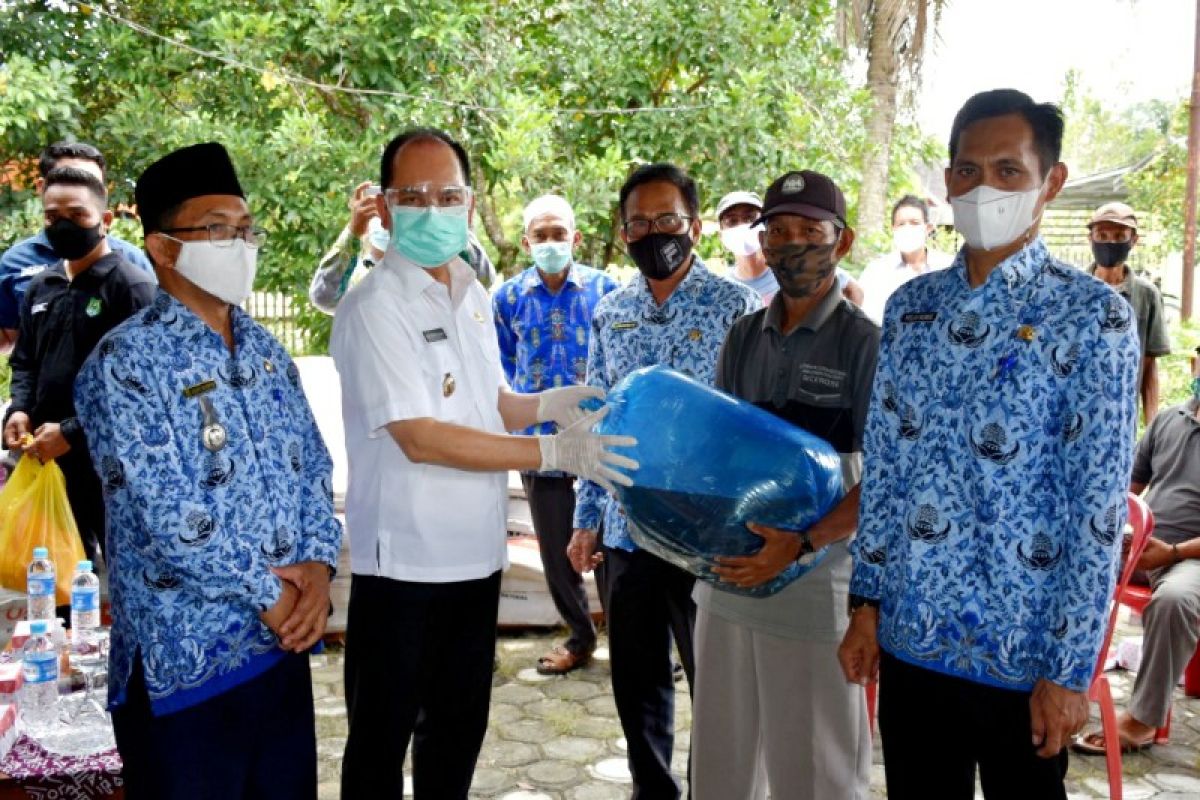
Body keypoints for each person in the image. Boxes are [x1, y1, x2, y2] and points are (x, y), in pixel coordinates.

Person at [839, 89, 1140, 799]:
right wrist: (865, 606)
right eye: (968, 171)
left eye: (1009, 171)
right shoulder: (911, 310)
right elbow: (886, 473)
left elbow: (1096, 512)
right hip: (913, 640)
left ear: (1051, 182)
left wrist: (1070, 671)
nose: (984, 188)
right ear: (948, 181)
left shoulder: (1092, 318)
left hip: (1023, 657)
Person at [330, 127, 636, 798]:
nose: (433, 208)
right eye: (414, 194)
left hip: (475, 558)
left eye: (448, 193)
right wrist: (553, 450)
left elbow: (487, 402)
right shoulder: (373, 305)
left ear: (469, 205)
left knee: (457, 730)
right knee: (381, 743)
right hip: (404, 566)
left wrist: (548, 404)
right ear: (384, 206)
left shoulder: (470, 292)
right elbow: (420, 435)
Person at [73, 141, 343, 798]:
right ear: (164, 247)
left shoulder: (266, 351)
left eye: (246, 229)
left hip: (279, 653)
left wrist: (318, 567)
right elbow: (170, 515)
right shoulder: (126, 364)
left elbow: (313, 465)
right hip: (184, 671)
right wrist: (277, 598)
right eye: (219, 229)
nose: (240, 244)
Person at [567, 163, 760, 799]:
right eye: (640, 223)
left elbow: (751, 424)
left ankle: (720, 788)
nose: (655, 233)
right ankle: (654, 789)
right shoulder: (611, 311)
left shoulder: (736, 307)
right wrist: (586, 518)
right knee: (638, 681)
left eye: (668, 220)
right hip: (628, 532)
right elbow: (596, 417)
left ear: (696, 226)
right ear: (623, 233)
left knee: (719, 683)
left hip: (710, 532)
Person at [692, 170, 878, 799]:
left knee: (815, 768)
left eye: (810, 231)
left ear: (841, 240)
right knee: (721, 760)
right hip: (728, 578)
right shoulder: (744, 335)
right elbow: (720, 452)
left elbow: (888, 475)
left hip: (813, 584)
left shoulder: (866, 344)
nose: (792, 244)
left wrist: (800, 544)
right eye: (779, 231)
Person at [2, 166, 156, 566]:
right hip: (48, 463)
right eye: (52, 217)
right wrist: (19, 408)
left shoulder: (132, 289)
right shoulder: (42, 286)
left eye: (77, 215)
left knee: (130, 578)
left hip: (115, 470)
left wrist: (73, 430)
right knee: (57, 583)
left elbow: (143, 389)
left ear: (105, 221)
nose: (63, 225)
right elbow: (25, 363)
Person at [493, 194, 620, 674]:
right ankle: (580, 638)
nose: (550, 243)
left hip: (598, 438)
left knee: (609, 542)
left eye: (558, 234)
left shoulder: (605, 290)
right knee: (555, 547)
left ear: (576, 238)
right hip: (541, 443)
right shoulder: (506, 298)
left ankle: (625, 638)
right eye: (540, 236)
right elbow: (503, 361)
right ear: (526, 241)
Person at [1074, 350, 1200, 755]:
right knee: (1063, 569)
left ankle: (1143, 720)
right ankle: (1051, 685)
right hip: (1141, 547)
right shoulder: (1169, 420)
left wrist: (1172, 552)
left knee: (1175, 601)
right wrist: (1116, 534)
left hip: (1189, 556)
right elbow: (1128, 488)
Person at [0, 141, 153, 354]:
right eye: (68, 179)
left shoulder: (132, 263)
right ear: (42, 188)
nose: (79, 189)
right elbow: (11, 340)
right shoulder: (17, 262)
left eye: (91, 184)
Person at [310, 181, 497, 314]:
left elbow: (483, 279)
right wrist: (352, 232)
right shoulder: (356, 278)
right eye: (384, 208)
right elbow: (324, 298)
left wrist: (454, 226)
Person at [1086, 202, 1170, 423]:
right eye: (1102, 235)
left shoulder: (1146, 296)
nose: (1110, 242)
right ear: (1090, 239)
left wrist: (1151, 426)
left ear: (1133, 240)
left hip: (1122, 417)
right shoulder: (1073, 291)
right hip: (1078, 416)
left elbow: (1149, 364)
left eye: (1119, 235)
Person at [717, 189, 864, 307]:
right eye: (732, 221)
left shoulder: (794, 268)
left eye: (750, 218)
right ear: (721, 235)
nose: (742, 225)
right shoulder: (722, 289)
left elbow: (854, 291)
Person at [858, 194, 954, 323]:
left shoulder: (949, 267)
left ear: (928, 228)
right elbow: (866, 319)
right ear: (893, 229)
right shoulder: (876, 272)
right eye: (901, 224)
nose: (908, 228)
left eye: (915, 223)